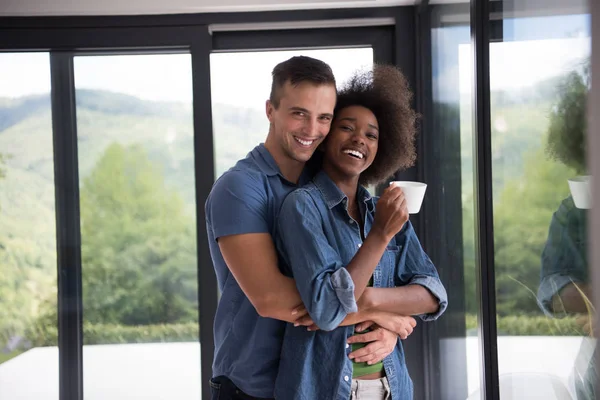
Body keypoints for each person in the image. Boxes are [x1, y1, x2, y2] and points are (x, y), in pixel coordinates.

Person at [205, 56, 417, 400]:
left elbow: (361, 278)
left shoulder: (327, 188)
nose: (311, 130)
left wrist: (385, 319)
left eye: (324, 118)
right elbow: (271, 299)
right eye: (298, 113)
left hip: (316, 384)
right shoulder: (239, 188)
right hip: (253, 385)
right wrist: (382, 313)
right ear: (270, 110)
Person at [274, 65, 448, 400]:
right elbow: (327, 309)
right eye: (347, 128)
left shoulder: (383, 211)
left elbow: (433, 295)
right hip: (320, 390)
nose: (359, 139)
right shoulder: (302, 207)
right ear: (324, 140)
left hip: (389, 388)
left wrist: (372, 304)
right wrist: (380, 236)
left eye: (371, 135)